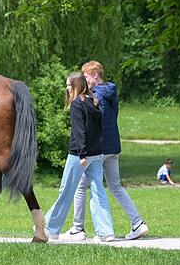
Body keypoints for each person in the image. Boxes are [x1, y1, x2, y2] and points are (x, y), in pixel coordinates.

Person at [63, 61, 149, 241]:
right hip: (113, 146)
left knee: (81, 186)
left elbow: (92, 124)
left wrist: (85, 150)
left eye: (85, 77)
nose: (84, 82)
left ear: (95, 75)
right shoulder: (111, 91)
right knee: (115, 186)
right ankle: (138, 223)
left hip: (98, 149)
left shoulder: (95, 96)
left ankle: (78, 229)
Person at [44, 72, 115, 242]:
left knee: (66, 190)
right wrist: (95, 152)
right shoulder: (95, 101)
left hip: (79, 155)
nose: (67, 88)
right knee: (98, 192)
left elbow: (79, 131)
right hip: (97, 153)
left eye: (69, 85)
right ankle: (106, 233)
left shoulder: (77, 104)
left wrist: (82, 154)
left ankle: (51, 229)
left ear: (76, 85)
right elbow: (98, 130)